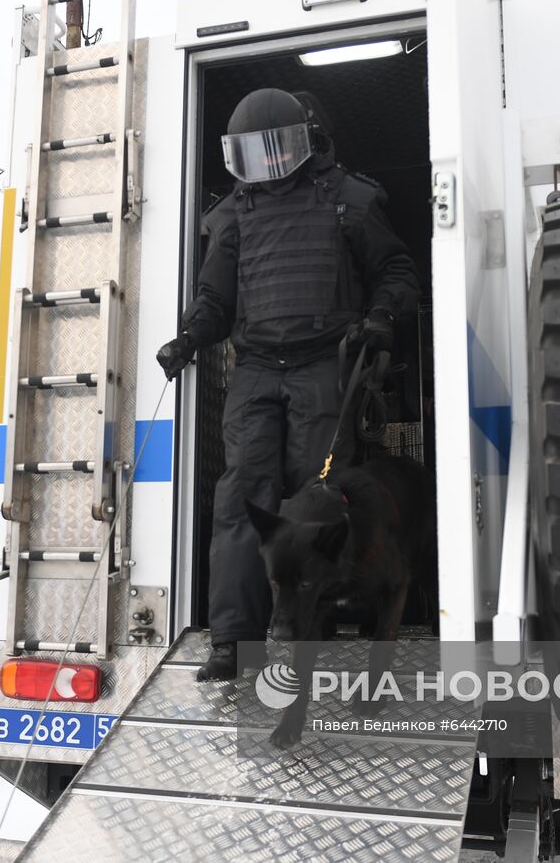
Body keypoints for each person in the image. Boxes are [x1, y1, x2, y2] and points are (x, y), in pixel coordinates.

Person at [156, 87, 419, 681]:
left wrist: (381, 314)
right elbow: (215, 300)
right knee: (240, 500)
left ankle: (310, 636)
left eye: (280, 149)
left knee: (315, 505)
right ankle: (235, 643)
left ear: (306, 142)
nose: (270, 164)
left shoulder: (346, 200)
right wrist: (190, 339)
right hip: (255, 370)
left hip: (325, 366)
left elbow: (397, 270)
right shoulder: (232, 217)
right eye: (256, 153)